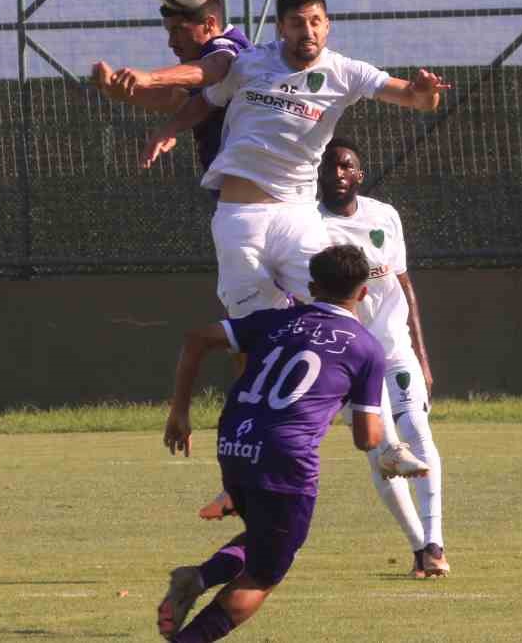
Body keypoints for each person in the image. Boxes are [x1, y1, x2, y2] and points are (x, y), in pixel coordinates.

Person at [98, 0, 448, 514]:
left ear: (327, 26)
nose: (306, 32)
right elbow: (203, 99)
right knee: (254, 356)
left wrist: (426, 91)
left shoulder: (346, 72)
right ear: (279, 28)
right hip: (238, 224)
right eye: (295, 23)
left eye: (315, 22)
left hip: (295, 218)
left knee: (346, 315)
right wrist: (167, 130)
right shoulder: (249, 63)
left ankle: (383, 441)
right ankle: (236, 482)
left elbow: (416, 99)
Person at [157, 244, 388, 642]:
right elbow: (367, 439)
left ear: (311, 286)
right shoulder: (366, 346)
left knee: (265, 535)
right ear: (363, 293)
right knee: (263, 575)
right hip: (286, 457)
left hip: (234, 443)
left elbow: (197, 338)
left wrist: (180, 411)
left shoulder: (274, 320)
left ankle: (198, 578)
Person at [319, 137, 449, 578]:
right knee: (379, 452)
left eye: (346, 166)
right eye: (328, 166)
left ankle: (436, 541)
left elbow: (404, 286)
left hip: (395, 351)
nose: (337, 173)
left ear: (359, 174)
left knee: (417, 432)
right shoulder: (307, 225)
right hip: (349, 360)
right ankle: (418, 549)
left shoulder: (384, 216)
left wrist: (422, 355)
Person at [90, 0, 251, 180]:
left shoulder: (225, 46)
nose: (171, 42)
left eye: (178, 30)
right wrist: (121, 91)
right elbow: (173, 97)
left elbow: (216, 67)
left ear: (209, 24)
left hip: (256, 190)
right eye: (169, 32)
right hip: (238, 187)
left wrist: (150, 78)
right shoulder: (205, 59)